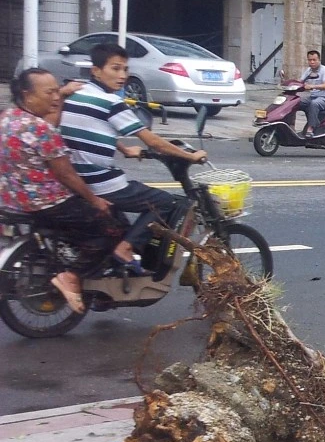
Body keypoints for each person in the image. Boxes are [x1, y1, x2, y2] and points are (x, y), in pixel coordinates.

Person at [59, 42, 206, 266]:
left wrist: (124, 148)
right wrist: (191, 156)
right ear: (96, 71)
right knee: (167, 202)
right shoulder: (112, 102)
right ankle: (125, 249)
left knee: (123, 222)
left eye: (125, 69)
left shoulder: (77, 94)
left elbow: (93, 128)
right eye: (115, 69)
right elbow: (153, 141)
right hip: (99, 182)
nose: (122, 75)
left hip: (75, 177)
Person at [1, 68, 133, 313]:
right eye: (50, 92)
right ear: (27, 95)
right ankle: (73, 275)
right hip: (47, 202)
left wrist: (62, 94)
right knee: (112, 225)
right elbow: (66, 174)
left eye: (57, 91)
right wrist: (94, 200)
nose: (55, 98)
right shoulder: (41, 130)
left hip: (13, 200)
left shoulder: (8, 118)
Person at [299, 49, 325, 135]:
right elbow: (300, 82)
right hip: (313, 97)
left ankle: (311, 128)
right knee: (295, 102)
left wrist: (311, 87)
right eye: (310, 60)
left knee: (314, 104)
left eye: (314, 60)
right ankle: (290, 125)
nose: (312, 62)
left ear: (319, 60)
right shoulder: (308, 71)